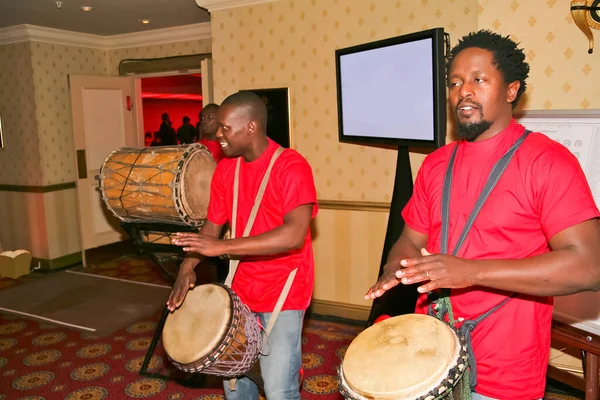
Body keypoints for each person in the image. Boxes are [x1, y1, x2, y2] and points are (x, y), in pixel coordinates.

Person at [365, 30, 600, 400]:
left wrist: (470, 271)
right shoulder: (435, 164)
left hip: (505, 371)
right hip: (431, 355)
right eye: (456, 82)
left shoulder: (548, 161)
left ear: (511, 90)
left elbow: (589, 266)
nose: (463, 91)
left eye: (478, 79)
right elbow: (411, 238)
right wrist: (395, 268)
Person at [167, 90, 318, 400]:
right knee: (236, 385)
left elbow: (294, 234)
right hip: (240, 290)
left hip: (285, 291)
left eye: (225, 127)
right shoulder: (226, 168)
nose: (217, 134)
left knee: (278, 389)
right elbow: (212, 227)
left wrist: (221, 248)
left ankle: (288, 370)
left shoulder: (290, 166)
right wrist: (188, 265)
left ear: (251, 127)